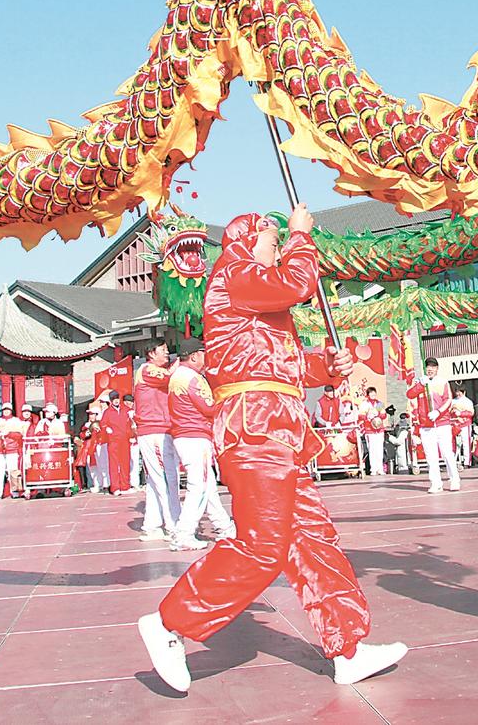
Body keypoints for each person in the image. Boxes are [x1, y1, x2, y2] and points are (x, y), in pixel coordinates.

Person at [138, 206, 406, 692]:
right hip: (253, 429)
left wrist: (326, 365)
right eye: (273, 239)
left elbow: (281, 362)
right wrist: (303, 238)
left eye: (282, 241)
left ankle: (346, 646)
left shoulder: (257, 302)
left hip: (279, 428)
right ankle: (169, 623)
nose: (279, 247)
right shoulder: (235, 275)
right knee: (264, 547)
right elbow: (295, 285)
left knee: (313, 538)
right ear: (247, 239)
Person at [167, 352, 234, 551]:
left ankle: (224, 527)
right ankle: (184, 533)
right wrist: (227, 398)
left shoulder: (178, 376)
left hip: (187, 435)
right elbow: (208, 407)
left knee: (208, 485)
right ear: (195, 356)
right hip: (194, 436)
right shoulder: (191, 378)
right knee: (199, 486)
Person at [135, 344, 183, 543]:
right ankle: (174, 525)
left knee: (156, 482)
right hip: (154, 430)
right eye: (162, 350)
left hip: (159, 430)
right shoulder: (147, 370)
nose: (166, 353)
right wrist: (181, 362)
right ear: (151, 353)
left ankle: (152, 526)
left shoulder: (157, 370)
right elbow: (169, 377)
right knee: (166, 479)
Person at [407, 359, 460, 493]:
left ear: (437, 369)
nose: (430, 369)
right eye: (428, 367)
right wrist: (420, 385)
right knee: (431, 456)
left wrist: (439, 412)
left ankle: (454, 480)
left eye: (433, 366)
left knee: (447, 453)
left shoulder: (442, 382)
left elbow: (448, 399)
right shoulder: (420, 382)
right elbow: (410, 394)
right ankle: (436, 483)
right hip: (426, 424)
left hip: (442, 423)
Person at [100, 390, 135, 494]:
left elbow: (132, 423)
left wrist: (132, 435)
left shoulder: (126, 410)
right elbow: (102, 424)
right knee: (114, 464)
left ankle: (125, 486)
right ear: (110, 401)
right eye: (113, 399)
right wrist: (107, 429)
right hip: (113, 441)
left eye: (116, 398)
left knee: (125, 463)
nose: (115, 401)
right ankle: (115, 488)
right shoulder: (107, 412)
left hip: (125, 440)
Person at [0, 403, 25, 501]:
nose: (6, 411)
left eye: (8, 409)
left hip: (12, 449)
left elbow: (20, 435)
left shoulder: (16, 421)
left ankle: (15, 491)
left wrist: (9, 433)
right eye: (4, 409)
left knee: (13, 470)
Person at [359, 386, 389, 476]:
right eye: (371, 393)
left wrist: (379, 415)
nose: (373, 395)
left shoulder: (379, 403)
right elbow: (361, 415)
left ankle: (380, 468)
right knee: (372, 449)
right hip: (369, 430)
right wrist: (368, 417)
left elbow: (384, 415)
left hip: (379, 429)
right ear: (368, 394)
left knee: (380, 449)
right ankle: (373, 469)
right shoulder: (365, 404)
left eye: (374, 393)